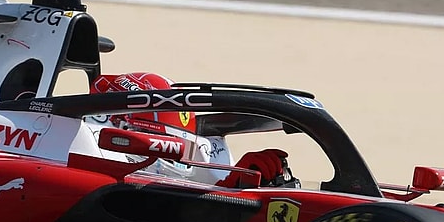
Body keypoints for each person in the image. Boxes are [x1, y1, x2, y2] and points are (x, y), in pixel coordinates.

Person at [85, 72, 290, 188]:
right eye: (159, 138)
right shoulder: (82, 168)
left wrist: (237, 186)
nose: (173, 152)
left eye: (182, 144)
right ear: (119, 126)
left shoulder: (198, 167)